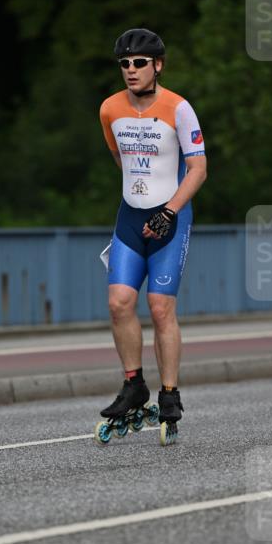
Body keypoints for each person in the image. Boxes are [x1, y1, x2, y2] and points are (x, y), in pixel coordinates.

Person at [98, 28, 207, 438]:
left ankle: (169, 393)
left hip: (170, 220)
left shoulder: (179, 108)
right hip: (130, 217)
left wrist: (169, 209)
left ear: (157, 65)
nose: (131, 70)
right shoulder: (109, 108)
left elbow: (198, 168)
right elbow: (120, 160)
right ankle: (134, 384)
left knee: (160, 309)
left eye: (139, 63)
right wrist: (141, 197)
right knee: (119, 302)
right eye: (124, 63)